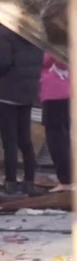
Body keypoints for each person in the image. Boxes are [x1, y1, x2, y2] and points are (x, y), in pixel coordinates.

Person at [0, 26, 43, 194]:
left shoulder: (6, 32)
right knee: (25, 141)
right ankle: (29, 182)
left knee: (10, 142)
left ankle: (11, 183)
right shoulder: (34, 31)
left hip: (7, 92)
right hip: (27, 92)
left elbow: (1, 62)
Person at [41, 53, 72, 192]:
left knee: (56, 138)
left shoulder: (55, 42)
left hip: (54, 93)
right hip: (67, 91)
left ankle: (66, 180)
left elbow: (47, 60)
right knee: (65, 136)